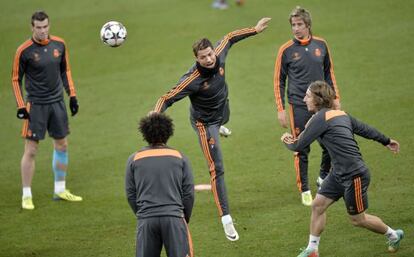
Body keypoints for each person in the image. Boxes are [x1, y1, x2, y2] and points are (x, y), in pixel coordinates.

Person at [152, 17, 271, 241]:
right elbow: (166, 98)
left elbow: (229, 37)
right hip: (205, 124)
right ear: (196, 59)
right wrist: (155, 112)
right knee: (217, 168)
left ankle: (221, 129)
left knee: (224, 118)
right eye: (203, 57)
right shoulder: (192, 80)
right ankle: (226, 219)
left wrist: (254, 30)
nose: (209, 59)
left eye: (210, 54)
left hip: (223, 111)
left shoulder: (219, 52)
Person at [281, 81, 404, 257]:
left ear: (317, 99)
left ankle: (393, 235)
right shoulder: (340, 114)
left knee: (358, 220)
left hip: (354, 175)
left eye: (307, 96)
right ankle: (312, 249)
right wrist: (386, 140)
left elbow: (299, 145)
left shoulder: (320, 119)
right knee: (317, 206)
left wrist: (286, 139)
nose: (303, 99)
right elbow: (365, 129)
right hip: (338, 173)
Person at [11, 11, 82, 210]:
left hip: (57, 103)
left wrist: (72, 96)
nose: (43, 31)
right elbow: (16, 79)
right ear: (32, 27)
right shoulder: (23, 51)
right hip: (36, 105)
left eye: (45, 27)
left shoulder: (59, 44)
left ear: (49, 25)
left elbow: (65, 71)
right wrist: (20, 106)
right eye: (38, 27)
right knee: (31, 150)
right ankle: (26, 194)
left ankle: (60, 189)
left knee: (62, 145)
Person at [274, 6, 341, 206]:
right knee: (301, 147)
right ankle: (304, 188)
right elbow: (278, 81)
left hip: (323, 104)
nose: (296, 28)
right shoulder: (285, 50)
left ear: (308, 25)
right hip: (298, 106)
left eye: (299, 24)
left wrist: (335, 97)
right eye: (293, 25)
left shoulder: (321, 44)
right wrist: (281, 109)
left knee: (331, 142)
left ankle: (322, 176)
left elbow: (329, 72)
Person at [125, 113, 194, 257]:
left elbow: (131, 194)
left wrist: (143, 214)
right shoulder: (180, 157)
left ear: (145, 133)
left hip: (146, 221)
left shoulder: (134, 159)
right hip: (174, 219)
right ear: (168, 132)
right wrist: (183, 218)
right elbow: (188, 194)